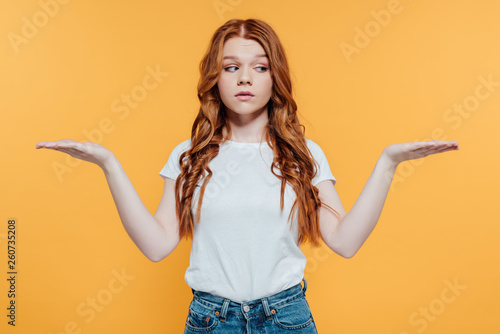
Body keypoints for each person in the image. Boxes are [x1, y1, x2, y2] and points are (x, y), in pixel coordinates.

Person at [36, 18, 459, 334]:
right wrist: (109, 164)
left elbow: (345, 242)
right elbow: (156, 244)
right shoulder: (189, 156)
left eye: (259, 67)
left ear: (275, 78)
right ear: (214, 78)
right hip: (210, 320)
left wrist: (387, 163)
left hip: (287, 317)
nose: (244, 78)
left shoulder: (303, 155)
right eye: (230, 67)